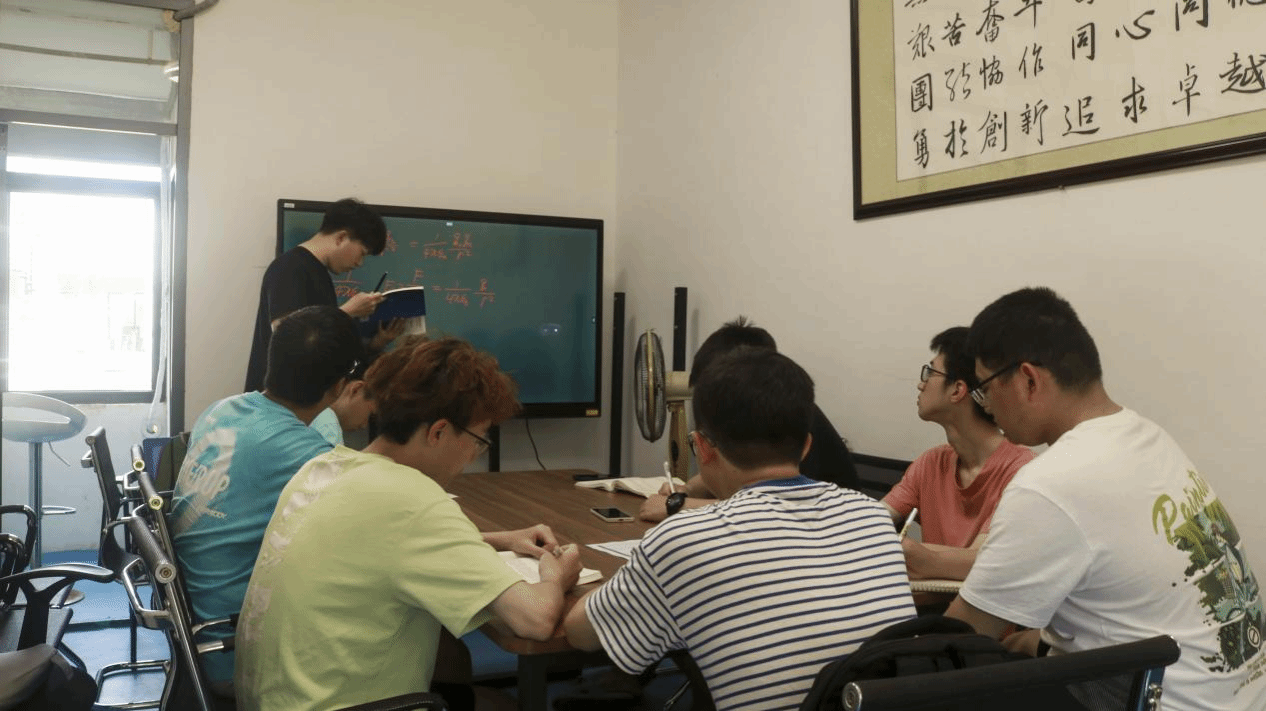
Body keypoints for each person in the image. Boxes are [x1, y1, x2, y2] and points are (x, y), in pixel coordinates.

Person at [947, 287, 1266, 711]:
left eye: (984, 387)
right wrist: (1040, 642)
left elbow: (962, 636)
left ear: (1028, 380)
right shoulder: (1148, 437)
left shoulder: (1049, 484)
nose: (985, 405)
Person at [235, 336, 582, 711]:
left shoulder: (324, 466)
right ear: (438, 431)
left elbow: (379, 543)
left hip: (272, 700)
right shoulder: (412, 499)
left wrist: (501, 539)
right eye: (478, 440)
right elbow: (534, 620)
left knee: (459, 669)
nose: (473, 456)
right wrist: (555, 577)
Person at [564, 347, 915, 710]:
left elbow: (580, 634)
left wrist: (556, 577)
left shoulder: (683, 538)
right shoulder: (872, 516)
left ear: (703, 448)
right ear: (807, 445)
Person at [172, 305, 364, 692]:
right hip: (235, 647)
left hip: (197, 629)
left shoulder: (221, 410)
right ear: (339, 386)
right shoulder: (307, 454)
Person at [639, 316, 861, 522]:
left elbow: (773, 505)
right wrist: (687, 490)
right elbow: (734, 465)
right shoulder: (758, 413)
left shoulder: (787, 419)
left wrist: (678, 506)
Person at [882, 326, 1033, 581]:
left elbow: (982, 562)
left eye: (930, 372)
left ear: (957, 390)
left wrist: (914, 554)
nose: (920, 384)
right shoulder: (931, 462)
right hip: (926, 602)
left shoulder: (1021, 470)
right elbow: (873, 521)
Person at [244, 197, 389, 393]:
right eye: (362, 253)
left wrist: (375, 343)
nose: (359, 263)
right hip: (276, 401)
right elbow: (287, 335)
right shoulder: (290, 267)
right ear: (341, 238)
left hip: (301, 400)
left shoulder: (319, 273)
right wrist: (347, 312)